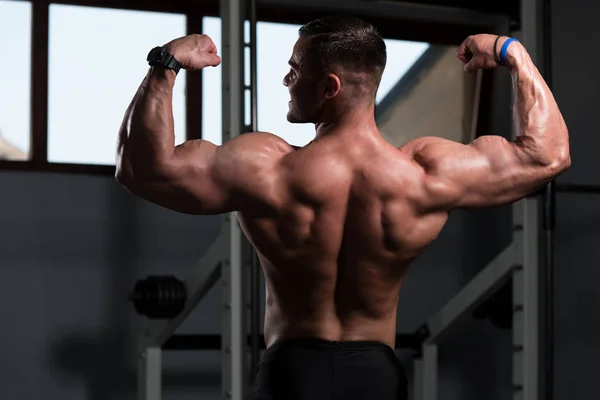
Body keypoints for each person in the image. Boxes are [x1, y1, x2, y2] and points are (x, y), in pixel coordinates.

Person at [115, 16, 570, 400]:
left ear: (330, 87)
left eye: (295, 69)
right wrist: (514, 54)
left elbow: (141, 170)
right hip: (375, 375)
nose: (286, 80)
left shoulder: (266, 169)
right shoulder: (425, 174)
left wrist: (167, 63)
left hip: (291, 374)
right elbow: (547, 155)